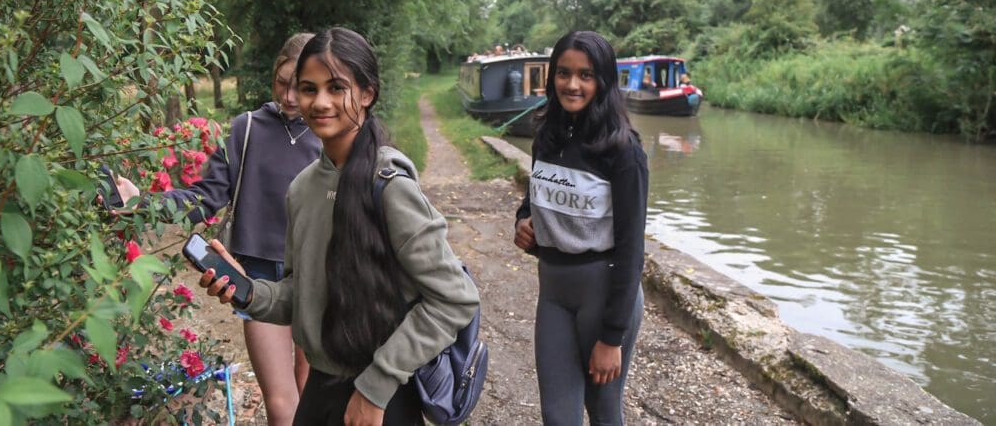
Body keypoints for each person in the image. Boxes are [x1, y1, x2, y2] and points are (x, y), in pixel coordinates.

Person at [200, 27, 479, 426]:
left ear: (366, 94)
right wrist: (245, 292)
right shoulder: (303, 188)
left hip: (381, 400)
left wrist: (375, 389)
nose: (320, 101)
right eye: (308, 89)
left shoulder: (389, 185)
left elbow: (455, 298)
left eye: (336, 87)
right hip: (320, 391)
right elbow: (302, 295)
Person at [112, 32, 319, 426]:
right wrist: (142, 204)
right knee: (281, 403)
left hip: (318, 278)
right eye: (282, 83)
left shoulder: (330, 130)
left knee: (314, 397)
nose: (290, 96)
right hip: (256, 279)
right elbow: (204, 198)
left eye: (301, 86)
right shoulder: (247, 129)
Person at [513, 30, 648, 425]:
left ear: (603, 81)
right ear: (552, 76)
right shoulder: (547, 137)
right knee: (557, 416)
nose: (573, 84)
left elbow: (631, 250)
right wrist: (523, 222)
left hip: (603, 293)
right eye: (564, 73)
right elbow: (534, 197)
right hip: (553, 291)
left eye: (586, 75)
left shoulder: (624, 151)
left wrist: (611, 337)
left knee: (604, 412)